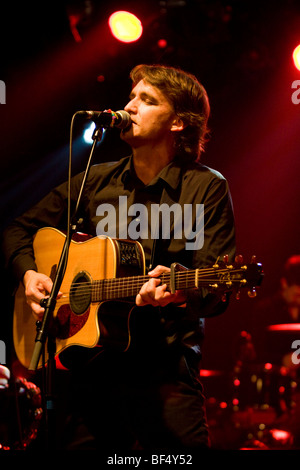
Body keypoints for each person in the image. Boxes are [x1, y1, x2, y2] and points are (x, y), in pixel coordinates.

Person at [2, 64, 236, 451]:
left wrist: (178, 292)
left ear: (178, 122)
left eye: (147, 100)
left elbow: (215, 289)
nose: (130, 106)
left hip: (165, 369)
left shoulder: (205, 187)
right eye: (132, 96)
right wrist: (29, 275)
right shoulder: (94, 180)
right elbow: (16, 229)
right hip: (89, 369)